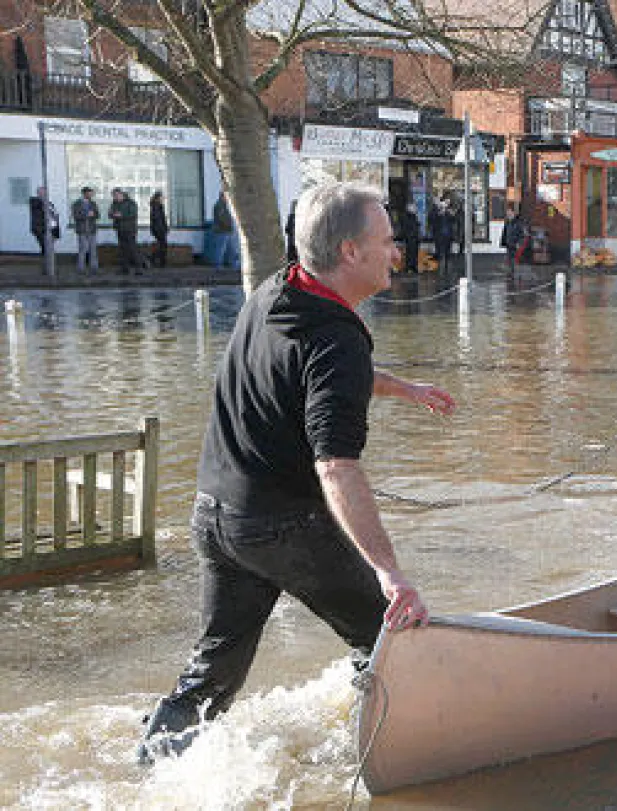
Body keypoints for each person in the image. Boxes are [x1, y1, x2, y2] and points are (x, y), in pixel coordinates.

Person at [137, 182, 457, 765]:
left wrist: (403, 388)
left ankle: (152, 766)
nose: (397, 253)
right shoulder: (336, 338)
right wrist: (390, 573)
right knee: (388, 635)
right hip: (280, 526)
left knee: (213, 673)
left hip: (216, 517)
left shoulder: (276, 290)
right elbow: (336, 467)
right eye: (386, 241)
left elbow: (315, 374)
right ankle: (409, 758)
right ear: (350, 253)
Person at [108, 188, 146, 274]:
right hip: (119, 229)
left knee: (133, 249)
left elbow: (133, 214)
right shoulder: (114, 203)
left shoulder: (131, 203)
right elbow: (110, 213)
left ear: (121, 194)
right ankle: (125, 269)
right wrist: (114, 214)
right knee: (122, 250)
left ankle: (139, 269)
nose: (115, 197)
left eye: (116, 195)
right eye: (114, 196)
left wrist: (121, 215)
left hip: (130, 229)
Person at [72, 186, 100, 274]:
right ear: (84, 193)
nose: (91, 195)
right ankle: (80, 268)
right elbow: (76, 216)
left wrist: (94, 214)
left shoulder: (93, 203)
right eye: (90, 193)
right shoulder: (76, 204)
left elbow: (98, 215)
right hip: (82, 230)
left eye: (92, 193)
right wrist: (87, 215)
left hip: (92, 229)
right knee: (82, 249)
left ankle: (94, 268)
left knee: (93, 250)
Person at [427, 193, 458, 275]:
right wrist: (439, 214)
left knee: (448, 253)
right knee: (440, 253)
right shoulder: (433, 210)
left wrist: (450, 213)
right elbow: (430, 220)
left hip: (448, 235)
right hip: (439, 235)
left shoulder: (448, 210)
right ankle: (440, 271)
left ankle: (448, 271)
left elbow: (454, 220)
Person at [210, 191, 239, 271]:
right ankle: (218, 266)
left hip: (228, 230)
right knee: (221, 249)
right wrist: (230, 225)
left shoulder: (225, 205)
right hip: (222, 231)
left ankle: (234, 266)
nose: (228, 198)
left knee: (232, 249)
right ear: (223, 196)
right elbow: (221, 218)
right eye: (227, 196)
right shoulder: (219, 206)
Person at [28, 186, 58, 258]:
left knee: (49, 248)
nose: (44, 194)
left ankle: (50, 266)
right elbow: (39, 207)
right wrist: (44, 202)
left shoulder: (49, 203)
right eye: (42, 192)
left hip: (51, 228)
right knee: (46, 248)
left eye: (45, 192)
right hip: (40, 228)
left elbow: (54, 214)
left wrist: (55, 229)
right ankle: (47, 266)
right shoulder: (34, 201)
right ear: (38, 193)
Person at [501, 204, 526, 271]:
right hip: (508, 244)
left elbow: (522, 235)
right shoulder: (507, 222)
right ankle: (510, 275)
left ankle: (513, 274)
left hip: (515, 245)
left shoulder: (518, 223)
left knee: (513, 261)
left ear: (513, 213)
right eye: (507, 213)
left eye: (509, 213)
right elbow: (505, 233)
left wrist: (519, 243)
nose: (508, 214)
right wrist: (503, 242)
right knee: (509, 261)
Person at [149, 191, 169, 268]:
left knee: (161, 245)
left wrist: (165, 227)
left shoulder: (158, 206)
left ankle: (158, 261)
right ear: (158, 198)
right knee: (163, 246)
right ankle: (158, 261)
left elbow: (162, 219)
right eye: (161, 197)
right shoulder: (156, 207)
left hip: (158, 229)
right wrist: (163, 229)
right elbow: (158, 219)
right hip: (159, 229)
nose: (163, 198)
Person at [284, 198, 298, 265]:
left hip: (291, 241)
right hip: (294, 241)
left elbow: (286, 229)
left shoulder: (290, 217)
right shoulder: (297, 217)